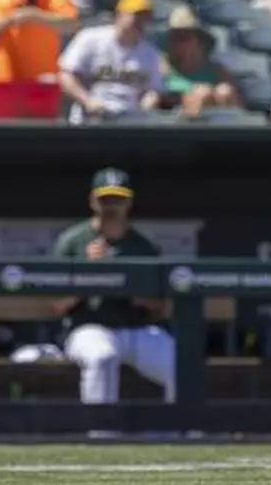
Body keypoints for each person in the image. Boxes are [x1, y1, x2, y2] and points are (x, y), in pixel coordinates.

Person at [47, 168, 175, 405]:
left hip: (136, 329)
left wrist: (129, 284)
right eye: (105, 199)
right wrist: (89, 271)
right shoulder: (73, 242)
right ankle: (101, 436)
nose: (112, 206)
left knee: (179, 362)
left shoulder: (143, 247)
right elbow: (57, 304)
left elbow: (159, 306)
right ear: (93, 201)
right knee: (102, 357)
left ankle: (186, 431)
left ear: (129, 203)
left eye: (118, 199)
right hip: (87, 327)